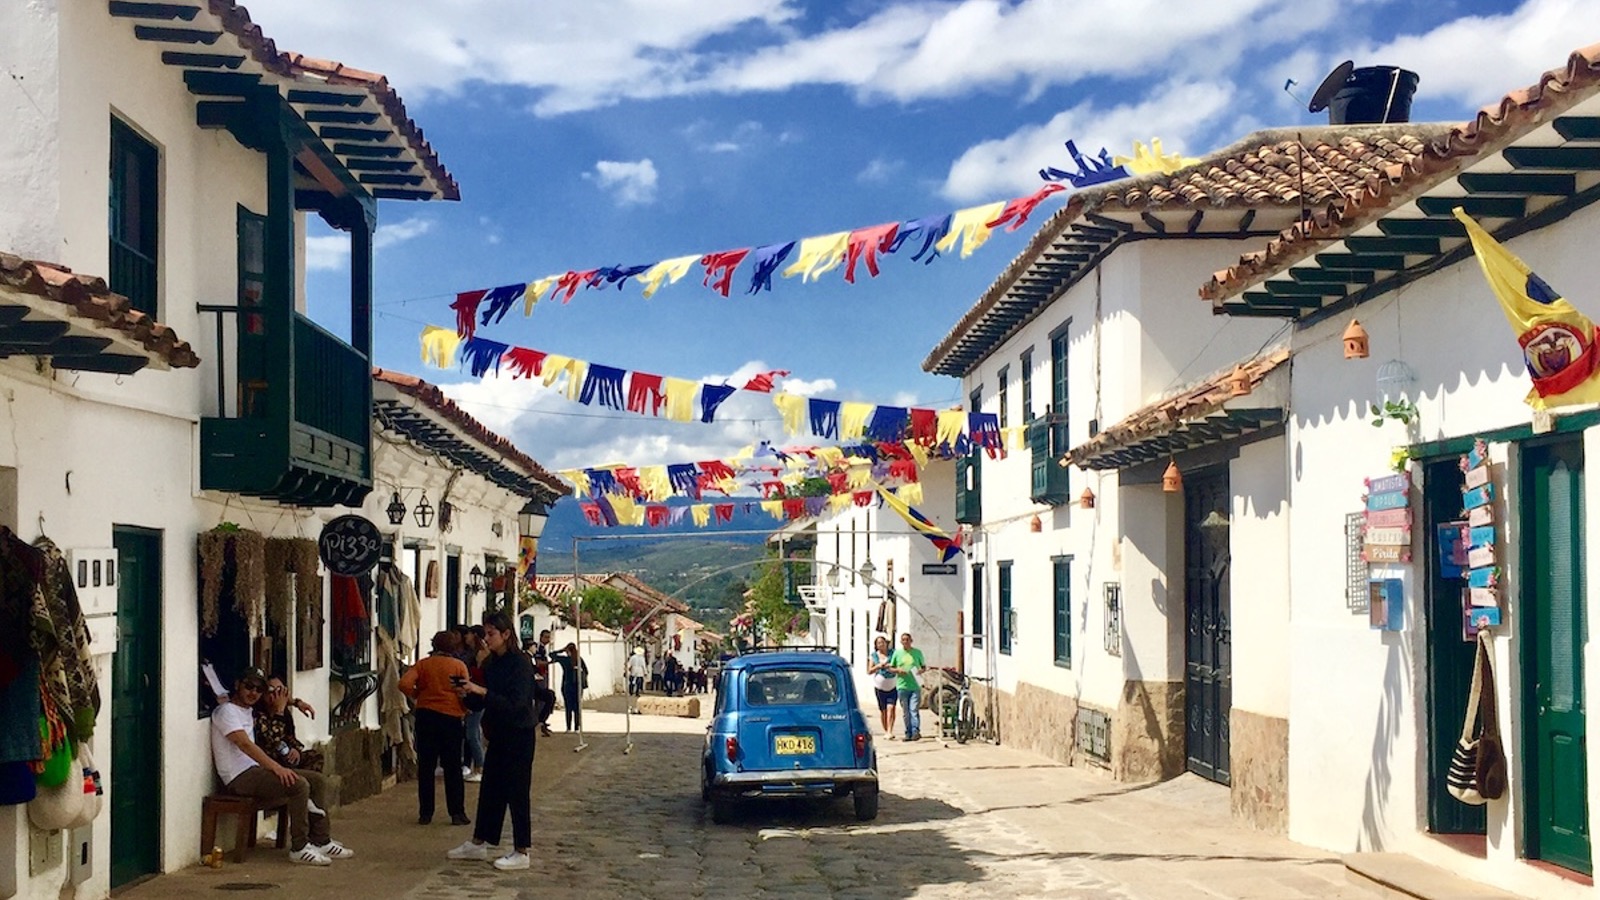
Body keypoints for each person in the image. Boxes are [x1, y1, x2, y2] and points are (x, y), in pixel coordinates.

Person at [212, 667, 353, 866]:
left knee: (318, 780)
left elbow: (276, 697)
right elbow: (245, 745)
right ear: (237, 685)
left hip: (255, 771)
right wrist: (276, 768)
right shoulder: (226, 712)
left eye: (258, 689)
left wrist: (297, 702)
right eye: (249, 687)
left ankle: (321, 839)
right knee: (298, 784)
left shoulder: (250, 709)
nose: (253, 693)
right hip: (239, 777)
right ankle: (299, 847)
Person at [447, 612, 536, 871]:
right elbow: (484, 700)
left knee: (517, 792)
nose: (486, 639)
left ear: (506, 634)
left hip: (519, 734)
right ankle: (479, 841)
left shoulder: (520, 664)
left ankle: (522, 850)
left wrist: (481, 691)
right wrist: (466, 693)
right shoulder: (492, 664)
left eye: (491, 634)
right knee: (490, 790)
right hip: (497, 733)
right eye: (485, 633)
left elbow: (516, 703)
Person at [400, 630, 471, 826]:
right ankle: (457, 813)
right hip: (451, 718)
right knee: (453, 767)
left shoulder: (423, 665)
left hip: (426, 716)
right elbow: (464, 691)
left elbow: (404, 683)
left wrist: (417, 695)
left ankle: (426, 813)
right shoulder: (458, 666)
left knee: (426, 766)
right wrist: (464, 708)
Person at [460, 625, 488, 782]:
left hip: (476, 698)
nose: (466, 637)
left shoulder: (481, 654)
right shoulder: (473, 653)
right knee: (474, 733)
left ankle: (480, 767)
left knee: (472, 734)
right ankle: (478, 766)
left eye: (469, 634)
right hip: (473, 695)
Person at [888, 632, 926, 741]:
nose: (906, 642)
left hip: (915, 686)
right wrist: (898, 670)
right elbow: (891, 668)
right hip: (902, 686)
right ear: (901, 642)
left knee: (913, 709)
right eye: (903, 640)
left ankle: (916, 731)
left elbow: (923, 667)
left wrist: (920, 671)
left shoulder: (917, 653)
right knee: (906, 712)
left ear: (911, 641)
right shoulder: (897, 653)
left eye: (907, 640)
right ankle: (908, 732)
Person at [866, 635, 900, 739]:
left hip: (893, 685)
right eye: (879, 643)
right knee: (883, 710)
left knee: (891, 708)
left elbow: (898, 665)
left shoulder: (893, 653)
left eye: (883, 642)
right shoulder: (874, 656)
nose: (881, 644)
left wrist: (891, 667)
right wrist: (878, 666)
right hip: (879, 687)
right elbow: (869, 671)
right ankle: (886, 730)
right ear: (876, 645)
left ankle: (890, 730)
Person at [549, 643, 587, 731]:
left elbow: (551, 655)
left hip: (567, 686)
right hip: (578, 686)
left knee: (568, 707)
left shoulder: (565, 660)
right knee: (577, 707)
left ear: (567, 651)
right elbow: (586, 671)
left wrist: (562, 650)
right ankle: (577, 727)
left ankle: (568, 727)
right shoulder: (579, 660)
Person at [529, 629, 556, 737]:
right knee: (542, 700)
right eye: (546, 637)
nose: (548, 639)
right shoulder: (539, 649)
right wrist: (549, 662)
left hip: (543, 675)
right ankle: (540, 721)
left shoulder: (544, 649)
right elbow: (539, 663)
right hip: (539, 677)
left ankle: (543, 721)